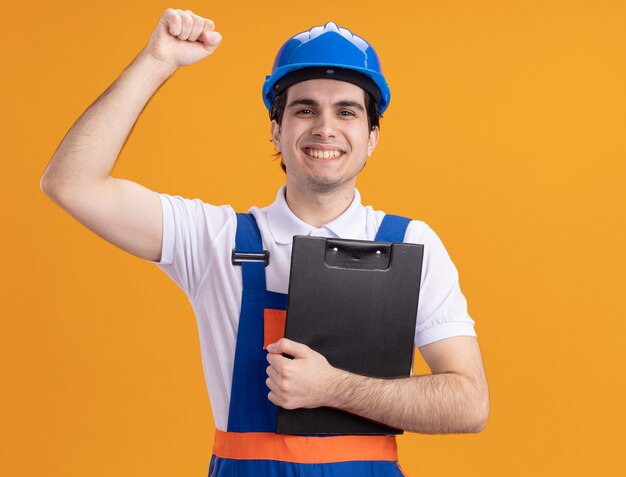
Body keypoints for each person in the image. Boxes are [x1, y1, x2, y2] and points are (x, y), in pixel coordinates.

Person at [41, 8, 489, 476]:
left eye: (347, 111)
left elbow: (469, 403)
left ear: (372, 135)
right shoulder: (213, 239)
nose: (325, 127)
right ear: (276, 128)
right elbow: (71, 183)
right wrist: (157, 60)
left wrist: (333, 387)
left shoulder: (411, 245)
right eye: (304, 109)